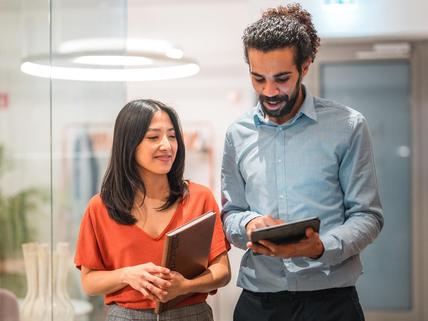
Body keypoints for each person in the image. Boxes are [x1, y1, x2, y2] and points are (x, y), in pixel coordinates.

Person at [221, 3, 384, 321]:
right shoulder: (236, 135)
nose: (269, 91)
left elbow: (368, 216)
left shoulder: (348, 126)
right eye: (258, 79)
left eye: (281, 78)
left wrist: (319, 247)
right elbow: (230, 214)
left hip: (330, 301)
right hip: (259, 301)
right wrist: (248, 224)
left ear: (305, 66)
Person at [75, 99, 231, 321]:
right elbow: (89, 282)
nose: (167, 145)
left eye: (172, 136)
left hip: (191, 314)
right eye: (153, 137)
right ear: (129, 144)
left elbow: (222, 272)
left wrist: (186, 286)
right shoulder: (100, 207)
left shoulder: (200, 198)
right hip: (125, 316)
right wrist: (127, 275)